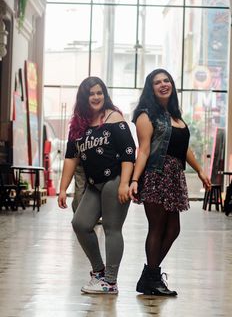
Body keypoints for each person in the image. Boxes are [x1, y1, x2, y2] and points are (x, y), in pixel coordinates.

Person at [129, 68, 211, 296]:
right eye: (157, 82)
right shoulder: (146, 115)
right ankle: (152, 278)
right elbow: (143, 150)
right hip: (156, 174)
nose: (163, 84)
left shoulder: (176, 115)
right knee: (157, 226)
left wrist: (201, 172)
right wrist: (135, 180)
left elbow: (184, 150)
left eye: (167, 80)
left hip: (175, 176)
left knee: (173, 229)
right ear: (151, 88)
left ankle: (150, 276)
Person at [58, 76, 136, 294]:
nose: (96, 97)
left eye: (99, 92)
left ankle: (110, 282)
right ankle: (99, 272)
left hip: (115, 179)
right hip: (94, 183)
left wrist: (125, 184)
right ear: (84, 97)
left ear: (105, 94)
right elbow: (71, 158)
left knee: (112, 228)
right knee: (80, 224)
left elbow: (129, 152)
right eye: (91, 93)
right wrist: (63, 188)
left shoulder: (114, 117)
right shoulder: (78, 124)